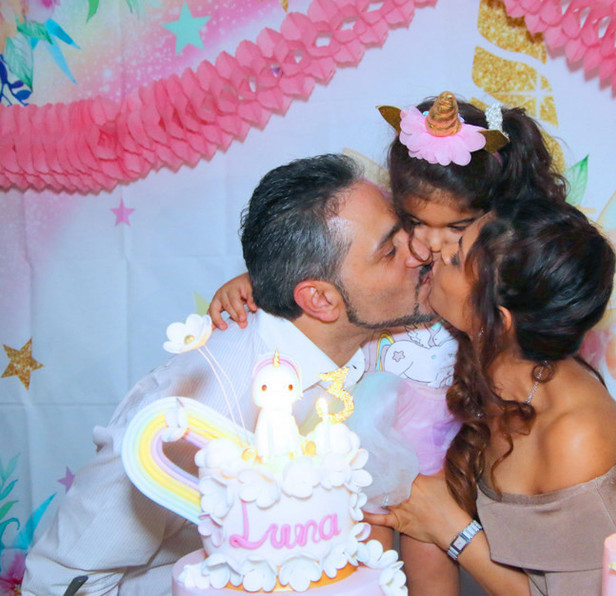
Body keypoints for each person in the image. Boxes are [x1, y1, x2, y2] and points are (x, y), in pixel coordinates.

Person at [21, 154, 435, 595]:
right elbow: (61, 581)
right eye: (390, 251)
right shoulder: (201, 403)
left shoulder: (377, 336)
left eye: (406, 229)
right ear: (319, 300)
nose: (422, 251)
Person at [207, 91, 567, 595]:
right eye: (414, 223)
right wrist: (255, 281)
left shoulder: (484, 280)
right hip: (365, 430)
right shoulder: (397, 267)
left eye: (455, 227)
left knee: (429, 561)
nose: (429, 244)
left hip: (442, 446)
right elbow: (324, 275)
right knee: (360, 557)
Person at [364, 199, 616, 596]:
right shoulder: (499, 367)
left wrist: (449, 527)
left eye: (456, 259)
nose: (439, 252)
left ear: (497, 320)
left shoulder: (576, 437)